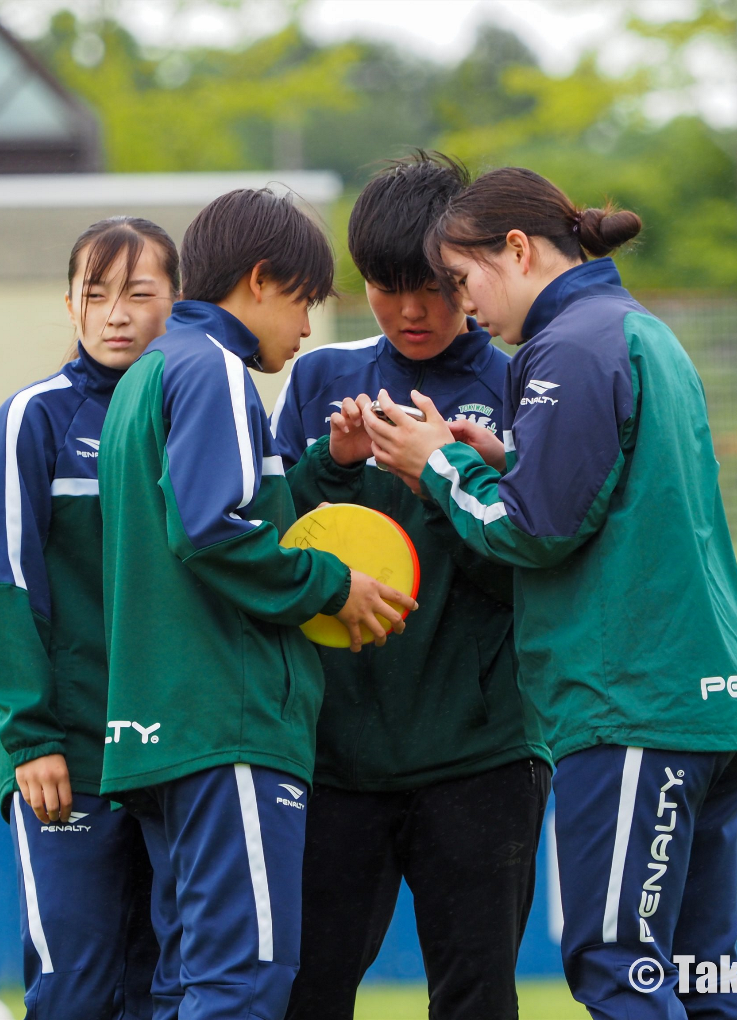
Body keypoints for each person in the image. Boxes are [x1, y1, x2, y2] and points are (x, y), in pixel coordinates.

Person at [364, 167, 737, 1020]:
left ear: (516, 250)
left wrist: (438, 465)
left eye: (462, 278)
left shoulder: (568, 344)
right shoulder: (637, 330)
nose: (461, 303)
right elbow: (616, 496)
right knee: (702, 976)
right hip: (712, 703)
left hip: (633, 707)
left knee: (620, 966)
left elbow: (533, 530)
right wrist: (509, 459)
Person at [95, 188, 417, 1020]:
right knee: (244, 982)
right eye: (304, 301)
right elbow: (212, 533)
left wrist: (322, 469)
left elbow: (213, 519)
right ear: (262, 279)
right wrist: (336, 586)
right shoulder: (213, 369)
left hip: (161, 729)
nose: (307, 329)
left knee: (185, 985)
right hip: (227, 724)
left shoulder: (148, 373)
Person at [272, 153, 552, 1020]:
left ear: (469, 272)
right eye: (385, 288)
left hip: (483, 757)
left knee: (476, 999)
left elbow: (534, 563)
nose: (409, 311)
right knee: (304, 994)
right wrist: (333, 465)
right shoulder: (320, 379)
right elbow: (273, 551)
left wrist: (443, 473)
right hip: (335, 758)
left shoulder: (519, 382)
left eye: (432, 287)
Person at [0, 217, 178, 1020]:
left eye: (139, 294)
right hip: (70, 758)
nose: (115, 314)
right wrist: (32, 738)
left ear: (177, 302)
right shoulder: (32, 421)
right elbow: (4, 587)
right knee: (75, 992)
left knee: (167, 990)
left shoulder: (192, 416)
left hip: (175, 756)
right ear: (70, 305)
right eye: (96, 294)